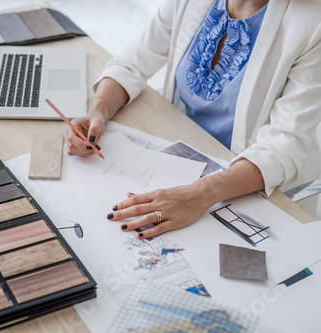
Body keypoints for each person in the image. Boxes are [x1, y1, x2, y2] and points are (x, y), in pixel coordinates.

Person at [65, 0, 321, 239]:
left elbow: (282, 147)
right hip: (178, 151)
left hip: (246, 176)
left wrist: (202, 194)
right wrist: (99, 109)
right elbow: (135, 59)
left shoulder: (313, 24)